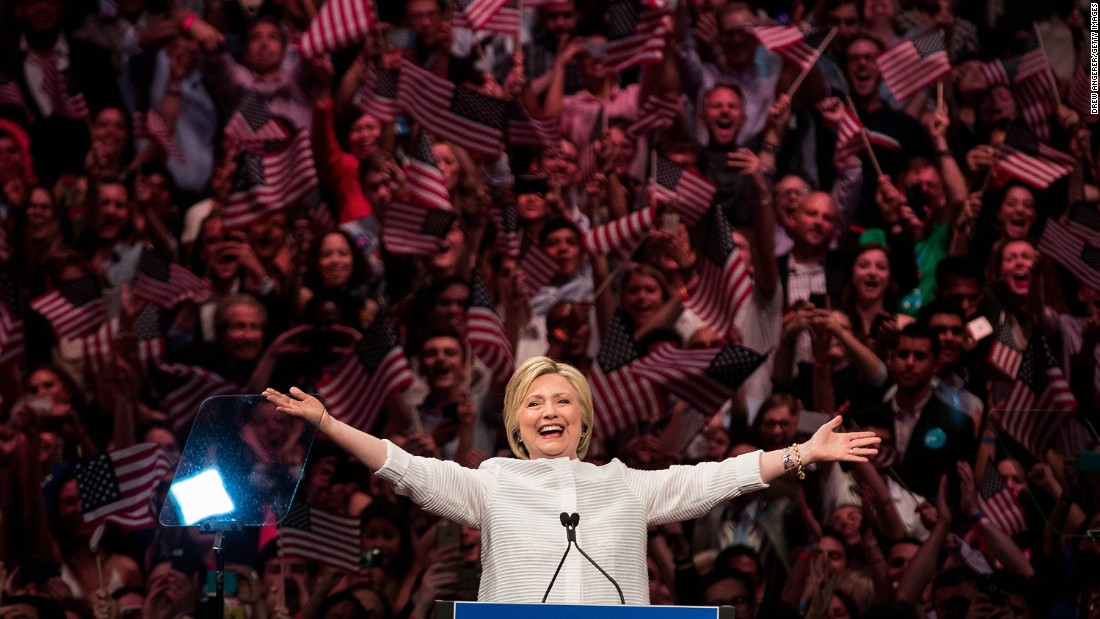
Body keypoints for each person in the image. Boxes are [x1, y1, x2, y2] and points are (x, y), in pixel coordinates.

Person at [263, 355, 880, 604]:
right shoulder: (492, 482)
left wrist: (803, 451)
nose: (549, 411)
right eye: (533, 402)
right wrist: (329, 423)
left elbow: (719, 477)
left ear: (583, 418)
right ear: (515, 422)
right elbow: (405, 467)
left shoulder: (627, 485)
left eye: (562, 400)